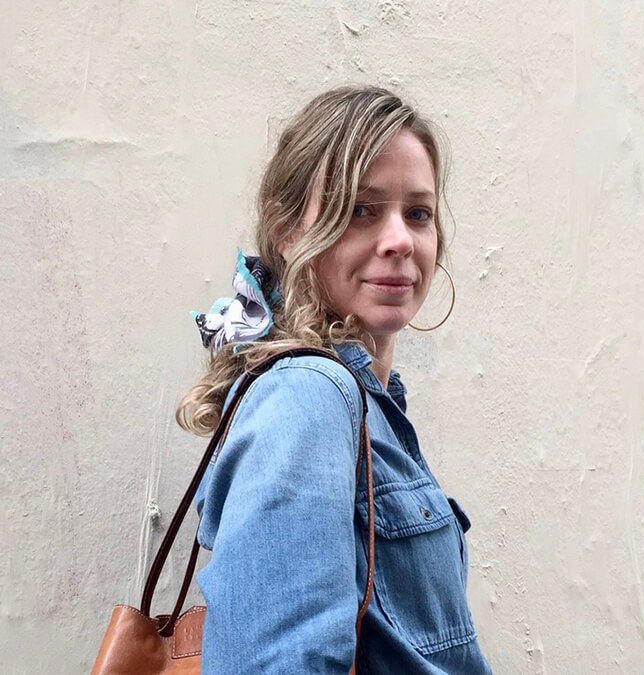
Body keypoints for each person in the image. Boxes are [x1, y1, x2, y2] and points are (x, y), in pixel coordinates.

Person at [177, 86, 493, 674]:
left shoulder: (368, 404)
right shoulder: (308, 395)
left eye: (418, 213)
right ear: (288, 232)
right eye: (360, 209)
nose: (401, 239)